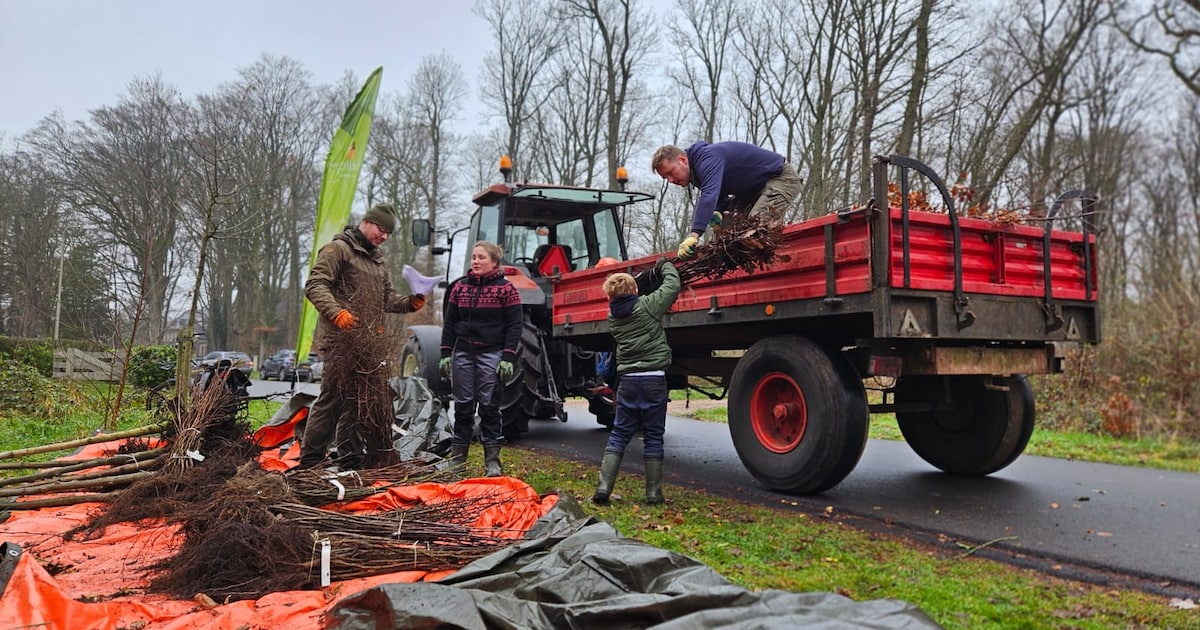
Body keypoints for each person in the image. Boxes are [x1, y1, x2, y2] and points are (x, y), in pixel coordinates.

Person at [297, 203, 426, 470]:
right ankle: (309, 462)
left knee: (358, 404)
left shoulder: (377, 261)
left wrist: (409, 303)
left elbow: (387, 300)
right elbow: (315, 284)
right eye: (381, 229)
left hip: (369, 344)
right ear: (366, 222)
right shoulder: (338, 250)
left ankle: (351, 458)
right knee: (332, 399)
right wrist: (336, 313)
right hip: (340, 341)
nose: (384, 236)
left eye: (389, 233)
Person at [591, 259, 682, 506]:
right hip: (653, 380)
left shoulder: (613, 318)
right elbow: (672, 286)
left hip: (628, 382)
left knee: (619, 433)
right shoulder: (648, 306)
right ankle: (653, 494)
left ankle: (603, 487)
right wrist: (665, 266)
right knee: (653, 435)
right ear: (635, 291)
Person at [439, 241, 523, 477]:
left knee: (489, 408)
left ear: (494, 262)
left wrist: (507, 357)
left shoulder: (506, 290)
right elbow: (450, 323)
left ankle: (492, 463)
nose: (475, 261)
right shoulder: (459, 288)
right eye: (473, 257)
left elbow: (515, 326)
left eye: (481, 258)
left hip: (492, 353)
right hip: (464, 353)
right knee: (463, 409)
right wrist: (446, 353)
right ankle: (458, 463)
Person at [651, 141, 802, 260]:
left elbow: (709, 194)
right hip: (752, 190)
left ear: (682, 160)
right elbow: (720, 194)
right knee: (728, 231)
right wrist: (718, 210)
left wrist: (694, 234)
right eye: (666, 178)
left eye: (671, 173)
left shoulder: (708, 159)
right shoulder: (696, 172)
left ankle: (772, 261)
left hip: (780, 178)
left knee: (755, 228)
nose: (670, 180)